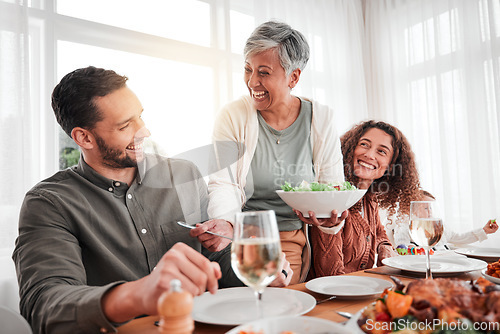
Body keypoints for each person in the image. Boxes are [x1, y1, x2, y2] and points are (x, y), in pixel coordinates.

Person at [12, 66, 292, 334]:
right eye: (125, 126)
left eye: (140, 117)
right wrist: (139, 294)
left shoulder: (184, 173)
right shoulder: (49, 203)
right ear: (84, 137)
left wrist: (257, 268)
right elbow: (44, 308)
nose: (144, 131)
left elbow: (213, 256)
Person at [192, 21, 347, 285]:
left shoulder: (320, 119)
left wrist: (329, 217)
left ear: (293, 77)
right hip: (241, 235)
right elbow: (224, 183)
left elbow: (332, 190)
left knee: (275, 292)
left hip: (287, 239)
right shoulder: (233, 115)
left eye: (264, 72)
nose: (252, 82)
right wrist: (227, 224)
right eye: (248, 69)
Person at [300, 120, 422, 277]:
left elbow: (378, 231)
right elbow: (331, 276)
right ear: (350, 148)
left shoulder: (369, 197)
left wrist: (384, 247)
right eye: (364, 144)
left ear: (390, 166)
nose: (369, 155)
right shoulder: (332, 196)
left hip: (361, 287)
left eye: (382, 151)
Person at [393, 190, 499, 247]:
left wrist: (484, 231)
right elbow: (402, 246)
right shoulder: (407, 227)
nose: (430, 211)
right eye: (425, 208)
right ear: (412, 210)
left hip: (445, 264)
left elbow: (459, 238)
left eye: (431, 207)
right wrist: (410, 249)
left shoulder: (439, 227)